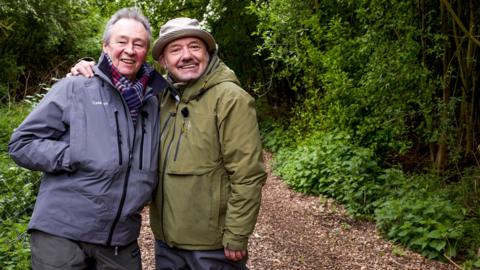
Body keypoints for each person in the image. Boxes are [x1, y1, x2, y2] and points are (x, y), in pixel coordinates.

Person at [72, 17, 267, 270]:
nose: (186, 56)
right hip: (166, 243)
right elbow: (117, 83)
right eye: (175, 50)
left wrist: (237, 234)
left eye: (195, 47)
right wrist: (88, 69)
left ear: (208, 53)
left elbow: (248, 174)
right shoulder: (159, 96)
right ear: (163, 60)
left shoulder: (230, 98)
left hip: (212, 246)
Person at [8, 8, 168, 270]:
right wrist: (74, 154)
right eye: (121, 41)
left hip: (120, 239)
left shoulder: (153, 101)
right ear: (105, 47)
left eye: (138, 44)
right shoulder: (75, 87)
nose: (130, 50)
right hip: (62, 234)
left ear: (146, 52)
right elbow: (22, 143)